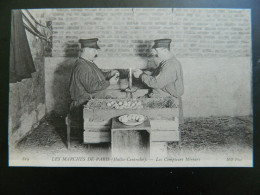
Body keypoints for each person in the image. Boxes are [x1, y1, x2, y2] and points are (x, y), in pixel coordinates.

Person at [133, 39, 184, 124]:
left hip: (166, 98)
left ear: (164, 50)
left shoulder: (170, 65)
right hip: (164, 95)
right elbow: (160, 75)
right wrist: (148, 73)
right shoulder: (167, 62)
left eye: (157, 51)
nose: (156, 54)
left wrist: (141, 75)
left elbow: (156, 83)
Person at [69, 38, 119, 121]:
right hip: (83, 105)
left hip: (92, 101)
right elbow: (91, 87)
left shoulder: (89, 62)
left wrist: (110, 74)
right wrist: (109, 83)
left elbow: (100, 76)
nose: (97, 53)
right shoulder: (82, 66)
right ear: (86, 50)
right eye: (94, 50)